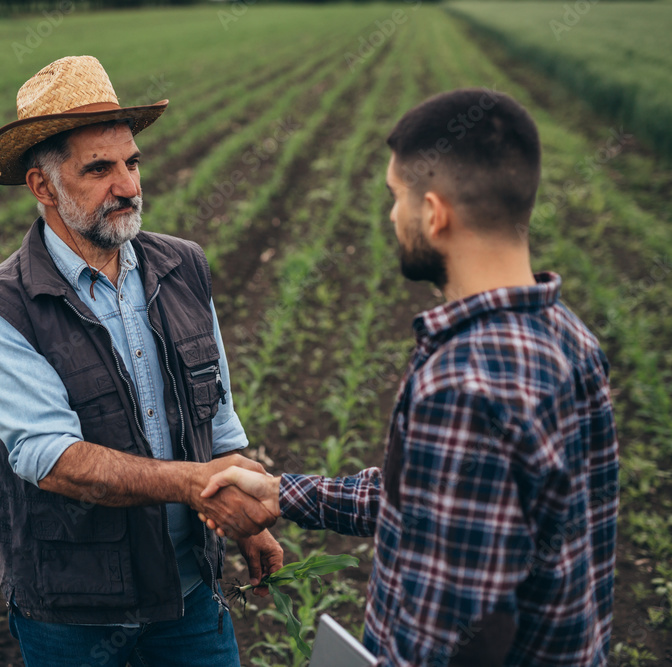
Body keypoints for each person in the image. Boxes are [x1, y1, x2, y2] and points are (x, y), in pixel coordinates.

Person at [199, 89, 619, 666]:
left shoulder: (463, 384)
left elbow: (449, 637)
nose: (392, 215)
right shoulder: (569, 336)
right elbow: (436, 506)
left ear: (435, 211)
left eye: (397, 198)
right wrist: (280, 492)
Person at [0, 55, 283, 667]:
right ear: (43, 187)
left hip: (190, 597)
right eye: (99, 169)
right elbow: (55, 460)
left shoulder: (182, 267)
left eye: (131, 162)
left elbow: (218, 417)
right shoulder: (1, 310)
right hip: (75, 615)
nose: (127, 185)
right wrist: (199, 486)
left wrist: (248, 522)